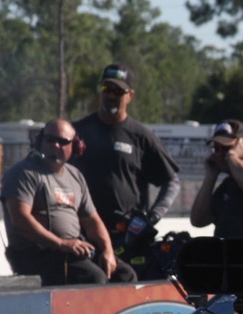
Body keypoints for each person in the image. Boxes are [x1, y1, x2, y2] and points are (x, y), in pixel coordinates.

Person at [1, 119, 135, 286]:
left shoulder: (75, 176)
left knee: (125, 276)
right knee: (93, 278)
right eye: (50, 140)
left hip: (71, 250)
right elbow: (20, 220)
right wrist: (61, 243)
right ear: (39, 141)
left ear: (76, 146)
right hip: (37, 254)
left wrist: (107, 252)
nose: (56, 146)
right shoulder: (23, 173)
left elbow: (93, 221)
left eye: (63, 142)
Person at [70, 63, 182, 231]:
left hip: (126, 235)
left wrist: (154, 215)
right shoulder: (77, 131)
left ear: (130, 96)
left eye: (118, 91)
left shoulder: (141, 136)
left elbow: (171, 182)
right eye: (107, 89)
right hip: (82, 232)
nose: (111, 96)